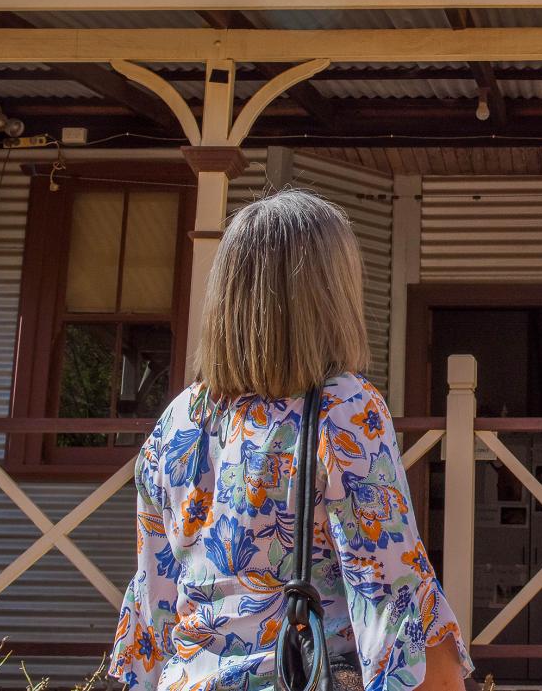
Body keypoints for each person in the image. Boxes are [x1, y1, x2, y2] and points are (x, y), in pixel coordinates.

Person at [110, 190, 470, 691]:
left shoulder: (178, 421)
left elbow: (152, 610)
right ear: (331, 296)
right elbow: (391, 597)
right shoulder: (342, 408)